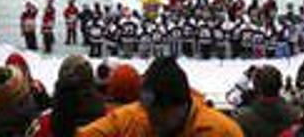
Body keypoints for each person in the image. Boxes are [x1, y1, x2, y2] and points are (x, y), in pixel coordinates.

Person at [76, 57, 242, 137]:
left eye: (159, 114)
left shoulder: (221, 131)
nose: (152, 119)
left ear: (181, 105)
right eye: (148, 111)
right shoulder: (132, 118)